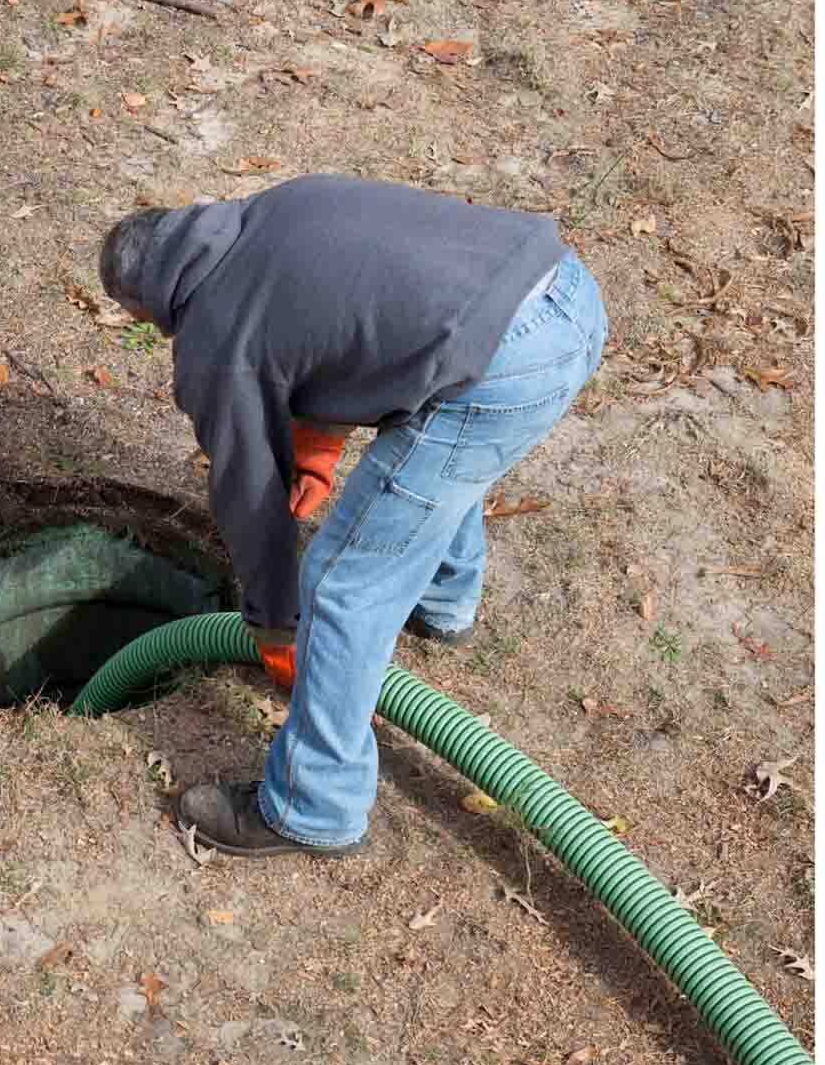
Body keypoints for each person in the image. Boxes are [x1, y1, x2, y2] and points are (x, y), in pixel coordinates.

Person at [97, 174, 607, 858]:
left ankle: (314, 805)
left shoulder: (211, 338)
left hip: (505, 363)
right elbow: (347, 317)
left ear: (142, 307)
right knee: (443, 460)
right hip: (564, 292)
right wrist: (314, 449)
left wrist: (277, 623)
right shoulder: (275, 209)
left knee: (341, 586)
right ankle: (441, 603)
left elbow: (248, 497)